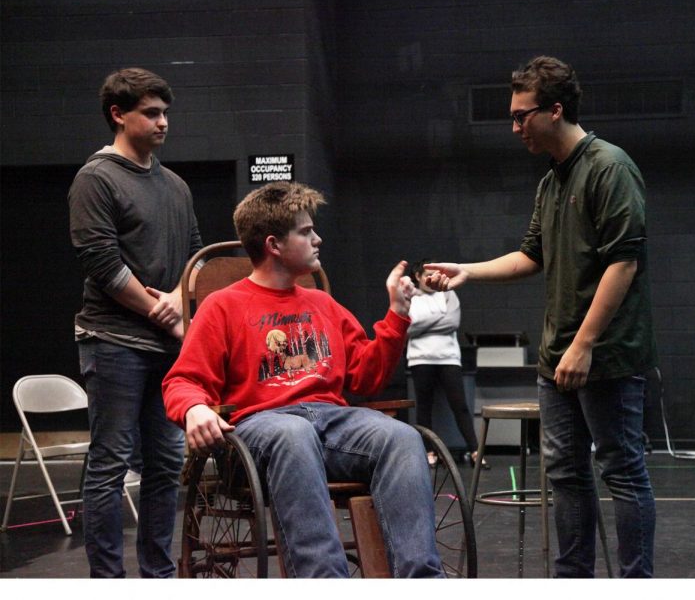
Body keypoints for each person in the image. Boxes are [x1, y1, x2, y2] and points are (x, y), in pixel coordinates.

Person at [425, 55, 657, 578]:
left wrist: (585, 343)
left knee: (622, 473)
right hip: (558, 359)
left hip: (608, 357)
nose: (514, 127)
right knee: (567, 475)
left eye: (520, 115)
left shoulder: (610, 168)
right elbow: (530, 256)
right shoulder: (551, 182)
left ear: (555, 111)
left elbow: (623, 262)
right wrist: (467, 271)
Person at [161, 181, 444, 578]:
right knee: (293, 434)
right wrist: (193, 408)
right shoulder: (223, 306)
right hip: (259, 430)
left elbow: (366, 376)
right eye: (306, 232)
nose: (318, 239)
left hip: (332, 423)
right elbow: (182, 380)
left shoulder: (322, 303)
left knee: (402, 438)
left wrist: (397, 313)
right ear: (275, 244)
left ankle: (422, 583)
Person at [68, 68, 203, 577]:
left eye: (165, 112)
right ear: (118, 115)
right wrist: (162, 314)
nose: (163, 122)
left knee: (167, 464)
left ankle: (158, 576)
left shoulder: (175, 185)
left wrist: (174, 298)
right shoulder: (96, 179)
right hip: (113, 342)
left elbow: (195, 258)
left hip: (165, 346)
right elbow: (101, 263)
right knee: (110, 464)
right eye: (151, 112)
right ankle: (108, 581)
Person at [407, 259, 485, 468]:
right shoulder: (411, 298)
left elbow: (452, 322)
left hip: (449, 357)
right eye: (427, 275)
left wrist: (422, 324)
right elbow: (407, 329)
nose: (432, 279)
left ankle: (475, 451)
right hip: (420, 358)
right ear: (418, 277)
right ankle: (429, 452)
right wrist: (438, 319)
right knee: (424, 407)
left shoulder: (448, 293)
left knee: (460, 405)